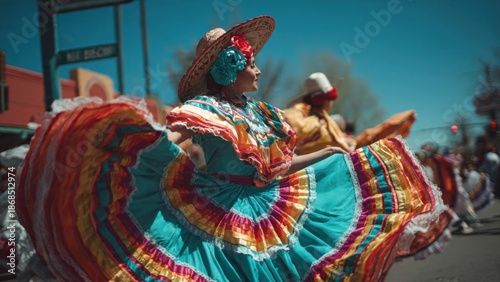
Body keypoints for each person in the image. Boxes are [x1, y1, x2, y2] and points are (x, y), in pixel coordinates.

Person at [18, 16, 452, 281]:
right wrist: (150, 143)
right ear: (231, 67)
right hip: (220, 210)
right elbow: (178, 139)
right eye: (251, 62)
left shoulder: (263, 113)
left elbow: (278, 167)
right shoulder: (204, 110)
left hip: (269, 202)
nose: (259, 69)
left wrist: (329, 155)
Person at [283, 72, 417, 155]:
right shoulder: (310, 121)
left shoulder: (322, 118)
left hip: (337, 162)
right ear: (325, 99)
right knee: (372, 136)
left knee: (372, 135)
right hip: (327, 171)